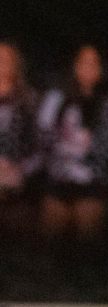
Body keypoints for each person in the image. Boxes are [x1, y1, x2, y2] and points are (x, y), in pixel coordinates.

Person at [38, 45, 108, 242]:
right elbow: (43, 135)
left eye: (94, 63)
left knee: (87, 243)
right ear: (75, 66)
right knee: (52, 244)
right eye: (84, 62)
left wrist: (91, 144)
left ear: (102, 69)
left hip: (92, 184)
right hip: (58, 182)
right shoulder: (57, 98)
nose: (88, 68)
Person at [0, 42, 39, 236]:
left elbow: (39, 144)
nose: (2, 64)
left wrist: (21, 168)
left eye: (7, 59)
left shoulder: (28, 99)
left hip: (18, 174)